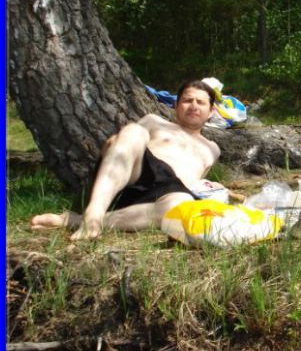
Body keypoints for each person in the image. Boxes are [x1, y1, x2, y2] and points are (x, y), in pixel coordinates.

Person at [30, 80, 221, 240]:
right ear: (176, 105)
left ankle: (78, 221)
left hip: (167, 195)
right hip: (136, 175)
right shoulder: (155, 121)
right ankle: (94, 211)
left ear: (211, 111)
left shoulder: (213, 149)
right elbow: (120, 143)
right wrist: (116, 143)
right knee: (134, 131)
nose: (194, 105)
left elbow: (197, 182)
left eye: (200, 102)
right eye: (187, 100)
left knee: (181, 203)